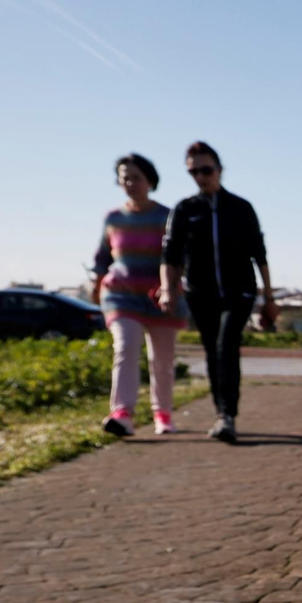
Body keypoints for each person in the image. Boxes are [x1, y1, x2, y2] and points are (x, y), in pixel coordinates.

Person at [159, 141, 278, 444]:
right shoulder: (185, 210)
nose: (201, 176)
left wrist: (269, 298)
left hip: (240, 292)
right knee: (213, 352)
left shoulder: (241, 208)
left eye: (206, 169)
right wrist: (167, 290)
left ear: (219, 169)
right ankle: (220, 413)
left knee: (227, 345)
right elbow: (170, 256)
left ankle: (228, 414)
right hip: (201, 293)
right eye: (194, 171)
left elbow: (259, 255)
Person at [91, 153, 186, 437]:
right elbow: (101, 258)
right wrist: (97, 289)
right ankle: (122, 413)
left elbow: (179, 257)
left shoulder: (167, 216)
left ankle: (163, 414)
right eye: (124, 178)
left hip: (161, 298)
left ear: (150, 181)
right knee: (125, 348)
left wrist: (170, 286)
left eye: (136, 177)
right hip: (121, 295)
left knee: (162, 360)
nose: (130, 183)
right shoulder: (113, 218)